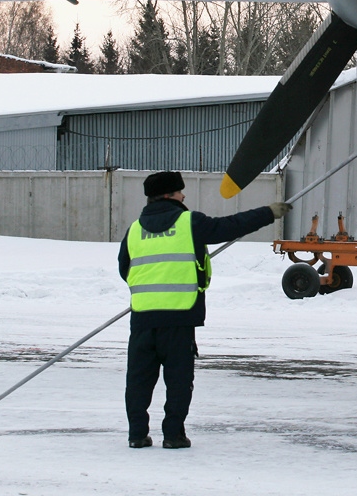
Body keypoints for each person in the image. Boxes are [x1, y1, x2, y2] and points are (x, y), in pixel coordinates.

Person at [118, 170, 290, 449]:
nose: (184, 195)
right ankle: (173, 435)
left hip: (142, 320)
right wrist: (268, 212)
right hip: (179, 317)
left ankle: (137, 434)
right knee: (178, 380)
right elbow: (231, 226)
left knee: (138, 380)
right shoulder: (189, 222)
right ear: (168, 195)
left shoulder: (134, 230)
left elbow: (125, 269)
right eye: (179, 192)